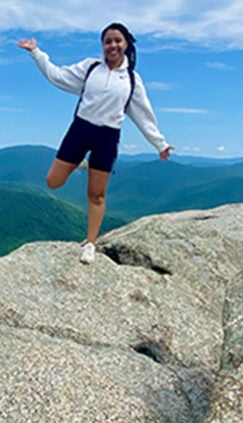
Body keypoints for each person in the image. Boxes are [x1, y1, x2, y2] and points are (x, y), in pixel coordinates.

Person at [17, 22, 173, 264]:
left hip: (108, 137)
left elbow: (143, 113)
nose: (113, 45)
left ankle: (90, 242)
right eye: (108, 41)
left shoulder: (131, 79)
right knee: (53, 182)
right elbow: (58, 76)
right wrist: (36, 53)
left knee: (97, 194)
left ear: (126, 44)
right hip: (80, 129)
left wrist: (159, 143)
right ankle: (80, 162)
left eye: (117, 40)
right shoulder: (91, 67)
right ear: (103, 45)